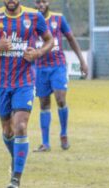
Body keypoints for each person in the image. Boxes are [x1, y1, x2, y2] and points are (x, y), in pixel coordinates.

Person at [0, 0, 53, 188]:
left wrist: (39, 52)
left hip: (24, 81)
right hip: (0, 83)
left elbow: (49, 40)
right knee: (7, 130)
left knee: (21, 126)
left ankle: (16, 177)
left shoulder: (34, 16)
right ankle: (15, 158)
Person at [33, 0, 88, 152]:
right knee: (44, 104)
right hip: (40, 68)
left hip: (58, 66)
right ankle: (45, 143)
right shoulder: (30, 20)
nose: (41, 4)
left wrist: (82, 61)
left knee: (60, 99)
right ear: (35, 3)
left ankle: (63, 134)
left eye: (43, 1)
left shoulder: (58, 19)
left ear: (48, 2)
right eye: (38, 2)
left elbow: (71, 39)